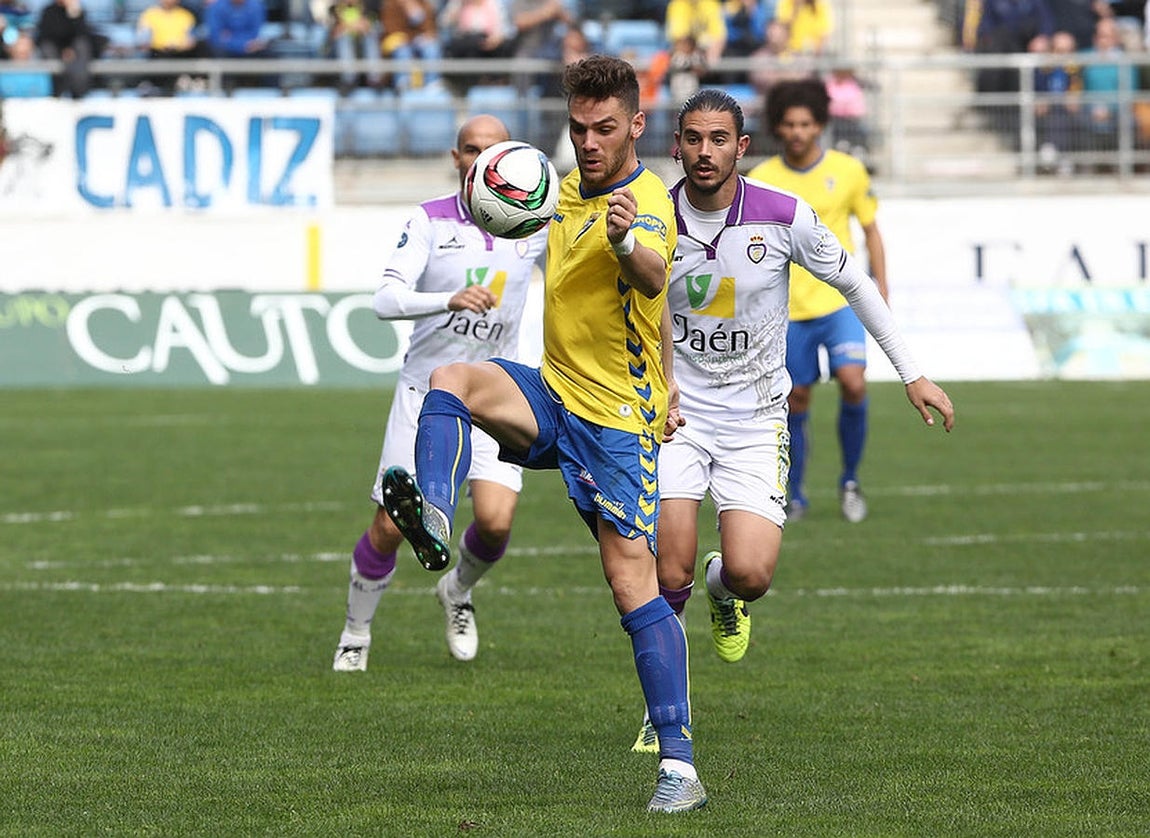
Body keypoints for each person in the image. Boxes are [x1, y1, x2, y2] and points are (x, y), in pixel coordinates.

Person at [378, 54, 708, 814]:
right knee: (453, 377)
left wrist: (628, 248)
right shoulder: (559, 194)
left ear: (636, 125)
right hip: (553, 393)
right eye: (578, 127)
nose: (590, 141)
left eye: (604, 128)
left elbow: (654, 278)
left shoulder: (647, 200)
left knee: (633, 585)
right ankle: (432, 512)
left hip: (617, 425)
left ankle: (680, 768)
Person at [630, 88, 954, 751]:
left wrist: (912, 372)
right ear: (676, 146)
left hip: (754, 419)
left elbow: (856, 284)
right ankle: (662, 712)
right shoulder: (654, 219)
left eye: (719, 139)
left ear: (742, 148)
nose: (704, 152)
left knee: (750, 574)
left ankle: (725, 595)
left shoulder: (784, 215)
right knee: (667, 571)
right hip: (678, 418)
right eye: (692, 138)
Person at [332, 114, 547, 672]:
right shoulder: (429, 221)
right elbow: (385, 300)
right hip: (427, 392)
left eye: (493, 149)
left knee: (496, 522)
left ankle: (456, 591)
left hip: (498, 392)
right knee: (389, 526)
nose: (481, 159)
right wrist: (447, 299)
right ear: (456, 157)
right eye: (471, 149)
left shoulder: (534, 224)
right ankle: (356, 632)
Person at [747, 77, 888, 523]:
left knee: (854, 382)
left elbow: (871, 230)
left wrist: (880, 290)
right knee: (797, 399)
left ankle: (849, 480)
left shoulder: (848, 170)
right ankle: (796, 493)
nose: (797, 132)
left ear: (820, 125)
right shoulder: (763, 179)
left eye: (806, 123)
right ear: (778, 127)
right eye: (788, 124)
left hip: (839, 303)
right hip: (787, 312)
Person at [35, 0, 102, 98]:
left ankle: (79, 91)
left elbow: (83, 34)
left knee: (82, 46)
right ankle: (57, 90)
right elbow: (46, 35)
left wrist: (74, 15)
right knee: (47, 49)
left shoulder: (78, 12)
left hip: (73, 51)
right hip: (55, 49)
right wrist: (64, 49)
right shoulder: (48, 11)